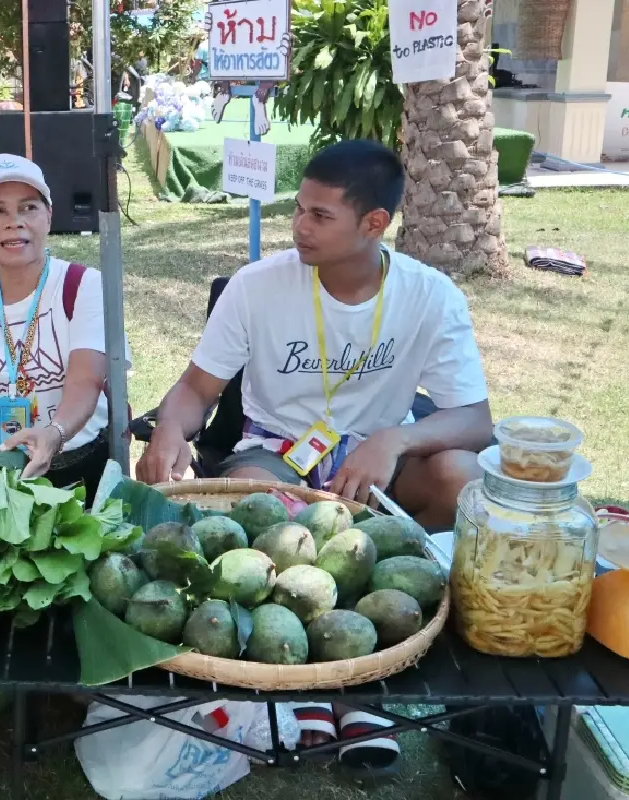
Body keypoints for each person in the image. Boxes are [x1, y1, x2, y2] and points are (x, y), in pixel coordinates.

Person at [139, 138, 492, 767]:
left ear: (374, 223)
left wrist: (396, 438)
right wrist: (171, 429)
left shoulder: (429, 295)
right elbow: (196, 389)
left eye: (320, 215)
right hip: (277, 454)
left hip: (377, 461)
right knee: (261, 519)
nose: (299, 226)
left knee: (460, 477)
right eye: (298, 209)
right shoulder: (257, 285)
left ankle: (368, 671)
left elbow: (475, 420)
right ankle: (310, 683)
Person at [0, 155, 131, 502]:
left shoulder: (82, 286)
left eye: (28, 208)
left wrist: (54, 433)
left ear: (49, 216)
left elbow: (87, 380)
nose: (14, 222)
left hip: (81, 469)